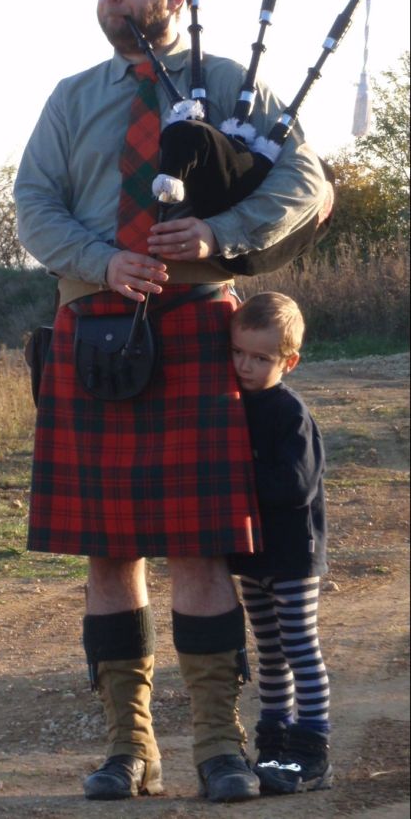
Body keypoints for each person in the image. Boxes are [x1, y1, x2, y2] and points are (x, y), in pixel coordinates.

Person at [14, 0, 327, 804]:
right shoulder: (73, 98)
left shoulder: (228, 85)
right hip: (92, 331)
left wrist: (221, 233)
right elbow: (32, 205)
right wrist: (101, 258)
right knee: (108, 554)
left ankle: (220, 747)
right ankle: (129, 749)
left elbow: (307, 182)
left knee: (200, 549)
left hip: (193, 325)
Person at [229, 291, 333, 794]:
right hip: (254, 554)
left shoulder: (289, 413)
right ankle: (273, 746)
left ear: (288, 362)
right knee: (269, 652)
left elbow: (296, 486)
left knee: (299, 647)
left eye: (261, 358)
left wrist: (237, 478)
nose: (245, 366)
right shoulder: (232, 403)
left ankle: (311, 751)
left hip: (293, 554)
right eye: (238, 352)